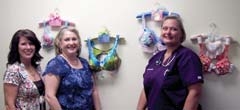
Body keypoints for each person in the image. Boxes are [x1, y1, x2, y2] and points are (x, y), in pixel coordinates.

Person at [137, 16, 204, 110]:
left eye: (174, 29)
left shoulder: (188, 57)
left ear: (181, 34)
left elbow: (195, 92)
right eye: (165, 28)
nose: (168, 32)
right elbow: (147, 88)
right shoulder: (155, 58)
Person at [43, 27, 101, 110]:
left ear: (79, 43)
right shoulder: (55, 64)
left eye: (74, 39)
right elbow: (49, 96)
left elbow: (94, 90)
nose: (71, 42)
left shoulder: (85, 63)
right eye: (67, 40)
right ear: (60, 44)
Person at [3, 29, 45, 110]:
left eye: (31, 44)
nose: (28, 47)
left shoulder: (37, 68)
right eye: (23, 44)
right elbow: (9, 105)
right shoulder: (13, 71)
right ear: (16, 47)